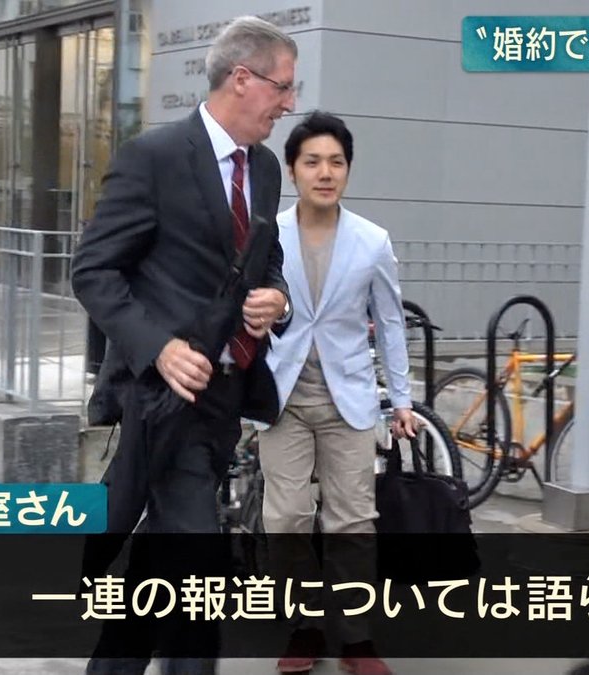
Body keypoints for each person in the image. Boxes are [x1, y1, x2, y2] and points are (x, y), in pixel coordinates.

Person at [71, 16, 298, 674]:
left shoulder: (264, 168)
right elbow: (93, 271)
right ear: (242, 79)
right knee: (199, 561)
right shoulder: (155, 157)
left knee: (167, 555)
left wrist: (277, 298)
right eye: (283, 87)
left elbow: (267, 259)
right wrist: (159, 348)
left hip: (225, 396)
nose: (289, 104)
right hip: (162, 398)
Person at [257, 111, 415, 675]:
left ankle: (355, 639)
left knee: (352, 521)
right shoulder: (266, 234)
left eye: (336, 162)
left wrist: (402, 400)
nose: (325, 173)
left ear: (348, 169)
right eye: (312, 162)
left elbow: (390, 322)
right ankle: (304, 628)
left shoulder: (372, 241)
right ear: (293, 170)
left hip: (348, 399)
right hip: (281, 398)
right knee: (286, 518)